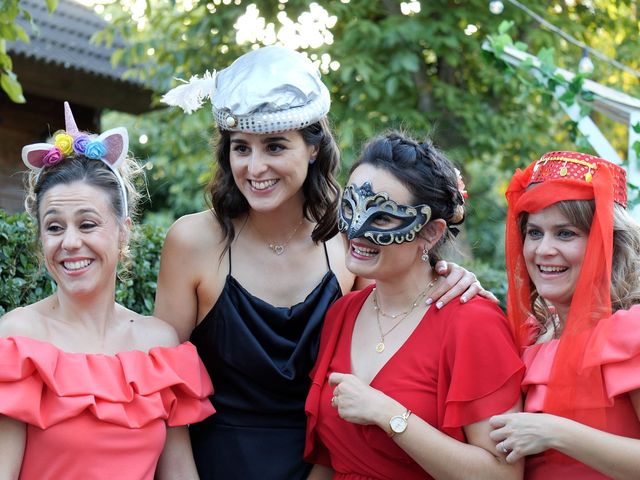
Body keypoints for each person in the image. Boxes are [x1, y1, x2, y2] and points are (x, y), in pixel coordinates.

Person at [158, 46, 494, 479]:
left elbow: (392, 321)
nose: (255, 167)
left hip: (325, 465)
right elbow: (164, 387)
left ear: (314, 147)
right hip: (210, 463)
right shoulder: (191, 240)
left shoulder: (353, 238)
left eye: (275, 146)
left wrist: (443, 275)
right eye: (241, 148)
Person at [0, 103, 215, 480]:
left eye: (87, 224)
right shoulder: (18, 340)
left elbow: (180, 473)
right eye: (53, 227)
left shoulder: (158, 346)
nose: (69, 242)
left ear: (123, 231)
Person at [304, 131, 525, 479]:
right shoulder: (342, 313)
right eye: (350, 207)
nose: (356, 230)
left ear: (431, 233)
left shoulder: (472, 322)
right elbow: (331, 461)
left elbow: (502, 474)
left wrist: (389, 414)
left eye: (382, 218)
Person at [489, 150, 640, 478]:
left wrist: (555, 432)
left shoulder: (630, 332)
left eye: (566, 233)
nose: (543, 250)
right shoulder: (528, 336)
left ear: (607, 243)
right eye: (534, 232)